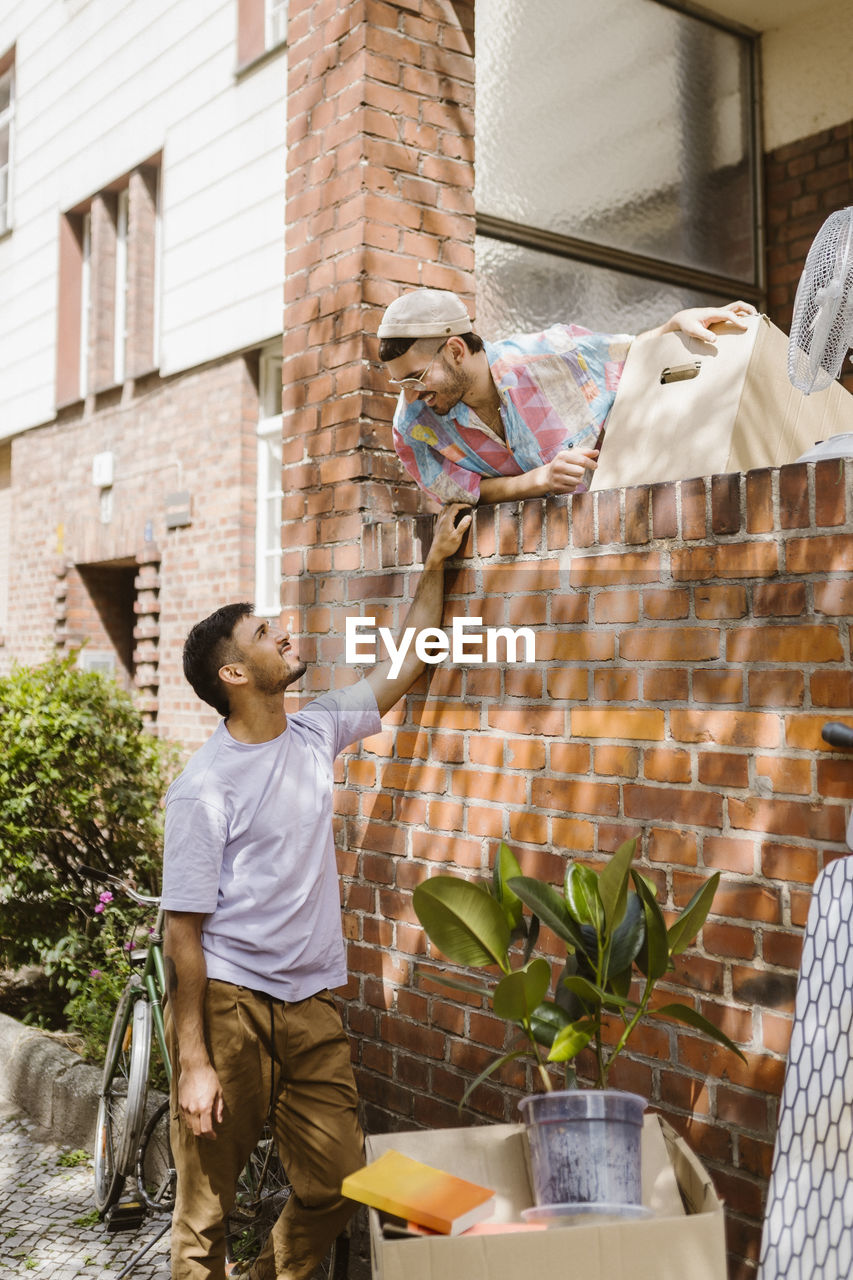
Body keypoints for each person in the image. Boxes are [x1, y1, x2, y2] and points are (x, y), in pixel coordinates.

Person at [160, 502, 472, 1280]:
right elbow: (181, 933)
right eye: (266, 633)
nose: (285, 631)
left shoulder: (313, 731)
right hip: (231, 1005)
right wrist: (194, 1062)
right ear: (235, 675)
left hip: (311, 1005)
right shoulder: (205, 789)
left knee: (337, 1182)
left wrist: (434, 566)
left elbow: (406, 663)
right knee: (206, 1215)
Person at [377, 287, 757, 507]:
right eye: (400, 385)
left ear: (456, 350)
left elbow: (630, 355)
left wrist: (677, 324)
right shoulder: (413, 428)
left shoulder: (552, 354)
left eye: (416, 377)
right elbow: (465, 493)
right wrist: (539, 480)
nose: (410, 395)